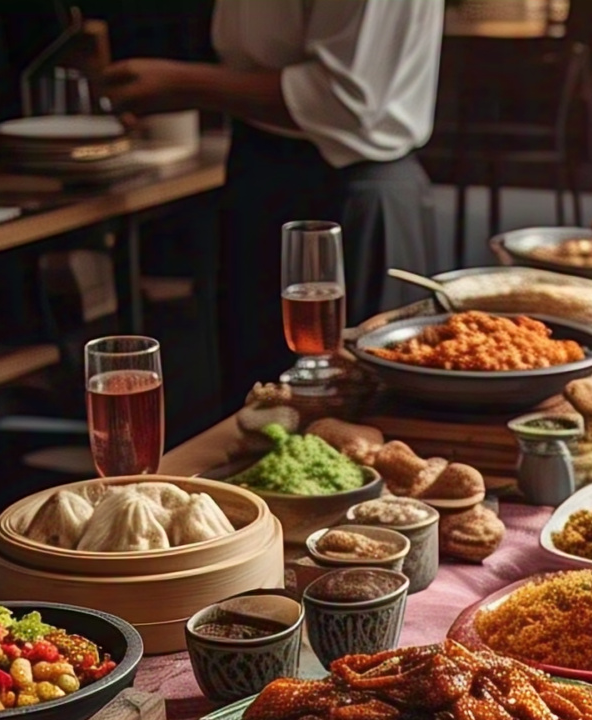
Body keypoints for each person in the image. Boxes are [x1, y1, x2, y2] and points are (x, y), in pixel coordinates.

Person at [100, 0, 444, 412]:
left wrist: (182, 86)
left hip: (354, 190)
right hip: (257, 171)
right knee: (255, 413)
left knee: (364, 420)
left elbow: (347, 99)